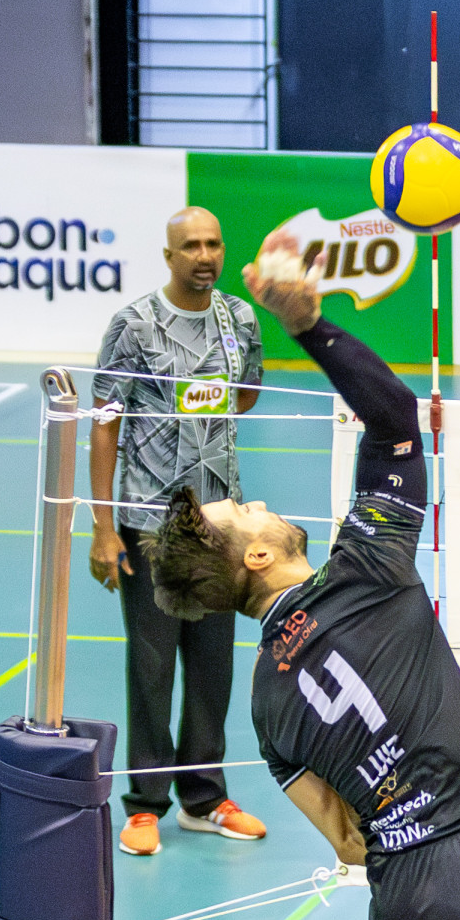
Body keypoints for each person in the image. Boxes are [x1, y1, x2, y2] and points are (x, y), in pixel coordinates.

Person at [145, 229, 460, 920]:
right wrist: (308, 325)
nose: (259, 506)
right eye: (247, 510)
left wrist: (451, 856)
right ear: (257, 556)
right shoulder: (364, 570)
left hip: (402, 905)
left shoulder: (264, 703)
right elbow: (392, 417)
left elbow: (350, 844)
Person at [89, 207, 267, 856]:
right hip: (149, 524)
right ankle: (144, 806)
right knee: (153, 666)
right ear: (168, 256)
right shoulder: (133, 325)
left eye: (213, 243)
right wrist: (104, 529)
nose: (204, 254)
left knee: (213, 666)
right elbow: (106, 420)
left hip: (221, 524)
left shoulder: (239, 319)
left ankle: (205, 798)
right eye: (190, 244)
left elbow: (246, 394)